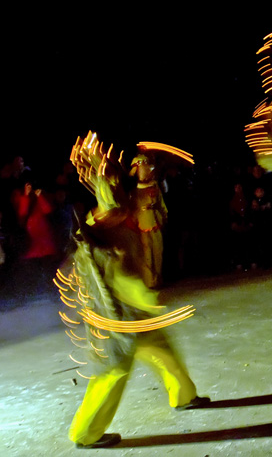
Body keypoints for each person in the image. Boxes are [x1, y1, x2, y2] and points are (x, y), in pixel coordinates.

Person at [62, 134, 209, 449]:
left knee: (162, 349)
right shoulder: (108, 215)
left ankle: (184, 396)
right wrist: (102, 176)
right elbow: (110, 211)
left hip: (134, 306)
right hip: (116, 313)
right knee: (114, 369)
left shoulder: (126, 207)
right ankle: (86, 433)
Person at [127, 153, 167, 288]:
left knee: (158, 253)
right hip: (142, 227)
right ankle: (150, 281)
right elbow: (131, 210)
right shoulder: (134, 192)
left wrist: (163, 216)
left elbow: (162, 204)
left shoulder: (155, 187)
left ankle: (158, 279)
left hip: (155, 223)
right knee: (147, 255)